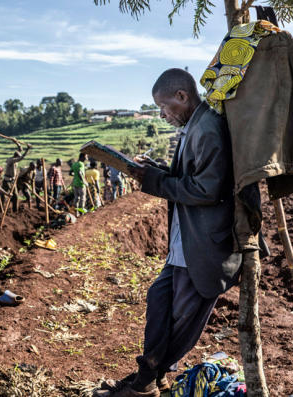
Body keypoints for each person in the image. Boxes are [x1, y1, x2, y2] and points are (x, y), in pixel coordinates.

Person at [95, 69, 239, 397]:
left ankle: (145, 382)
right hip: (185, 241)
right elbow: (192, 177)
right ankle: (150, 377)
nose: (162, 114)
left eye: (163, 107)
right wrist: (155, 171)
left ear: (182, 97)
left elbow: (207, 189)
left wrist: (155, 180)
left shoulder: (207, 129)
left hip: (201, 243)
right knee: (159, 300)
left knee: (182, 320)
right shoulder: (195, 127)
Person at [2, 140, 31, 212]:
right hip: (7, 180)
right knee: (3, 194)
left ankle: (15, 211)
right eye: (18, 158)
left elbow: (20, 149)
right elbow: (21, 157)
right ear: (15, 157)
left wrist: (16, 142)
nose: (18, 160)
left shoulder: (15, 158)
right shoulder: (11, 160)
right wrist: (27, 149)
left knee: (15, 195)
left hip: (12, 180)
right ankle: (1, 209)